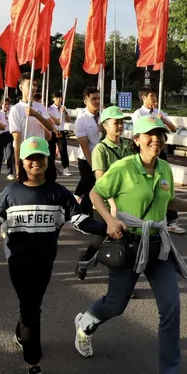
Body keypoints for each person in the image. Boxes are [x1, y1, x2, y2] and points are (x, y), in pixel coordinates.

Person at [73, 116, 187, 374]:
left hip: (158, 246)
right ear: (137, 139)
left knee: (171, 307)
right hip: (128, 244)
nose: (156, 139)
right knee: (115, 305)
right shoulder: (124, 167)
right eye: (149, 135)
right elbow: (95, 193)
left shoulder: (164, 167)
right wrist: (108, 221)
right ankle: (86, 321)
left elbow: (168, 203)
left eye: (160, 135)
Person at [0, 137, 95, 374]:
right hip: (17, 260)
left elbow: (79, 219)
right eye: (30, 158)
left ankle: (21, 333)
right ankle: (33, 364)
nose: (35, 162)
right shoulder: (11, 192)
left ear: (47, 160)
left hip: (45, 260)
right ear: (22, 162)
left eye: (40, 157)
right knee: (31, 310)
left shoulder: (59, 193)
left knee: (32, 304)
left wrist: (106, 228)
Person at [75, 106, 134, 280]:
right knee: (102, 239)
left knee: (122, 242)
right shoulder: (101, 150)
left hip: (126, 202)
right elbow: (101, 182)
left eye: (122, 122)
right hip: (105, 204)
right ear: (104, 126)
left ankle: (122, 281)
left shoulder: (128, 146)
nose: (120, 126)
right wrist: (113, 205)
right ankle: (84, 261)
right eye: (116, 123)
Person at [132, 86, 184, 234]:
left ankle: (171, 220)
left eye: (155, 97)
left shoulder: (159, 112)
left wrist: (164, 120)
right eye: (152, 97)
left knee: (164, 185)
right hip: (144, 154)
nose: (155, 100)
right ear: (144, 98)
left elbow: (173, 129)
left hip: (160, 153)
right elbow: (139, 133)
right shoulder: (138, 114)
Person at [9, 73, 57, 182]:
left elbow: (50, 127)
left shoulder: (40, 107)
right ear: (21, 87)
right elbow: (17, 140)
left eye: (35, 85)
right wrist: (17, 166)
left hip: (41, 153)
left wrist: (36, 114)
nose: (34, 88)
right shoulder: (16, 110)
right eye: (30, 85)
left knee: (45, 185)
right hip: (27, 156)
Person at [72, 87, 103, 213]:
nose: (97, 101)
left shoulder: (103, 115)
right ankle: (83, 216)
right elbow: (84, 146)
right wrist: (94, 167)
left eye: (99, 98)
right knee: (90, 188)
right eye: (93, 99)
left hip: (102, 158)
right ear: (86, 101)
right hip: (87, 159)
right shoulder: (81, 119)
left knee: (95, 186)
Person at [48, 93, 72, 177]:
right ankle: (51, 168)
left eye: (60, 97)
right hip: (52, 131)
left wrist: (65, 112)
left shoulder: (63, 108)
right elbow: (50, 121)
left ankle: (66, 168)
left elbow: (69, 120)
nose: (58, 99)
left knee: (63, 150)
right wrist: (55, 131)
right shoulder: (49, 109)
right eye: (56, 97)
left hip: (61, 131)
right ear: (53, 99)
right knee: (51, 151)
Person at [1, 98, 15, 180]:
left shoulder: (11, 113)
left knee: (10, 153)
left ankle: (10, 172)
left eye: (7, 104)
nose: (6, 106)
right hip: (0, 135)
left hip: (9, 134)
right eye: (5, 104)